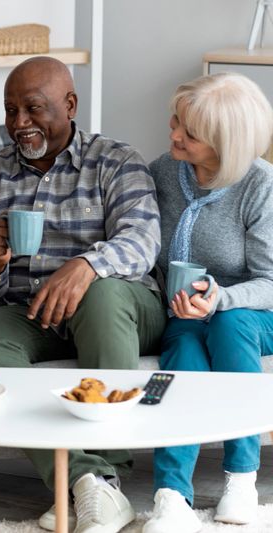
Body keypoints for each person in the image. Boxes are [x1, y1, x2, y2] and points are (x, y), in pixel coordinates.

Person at [0, 56, 167, 533]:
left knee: (102, 296)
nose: (19, 123)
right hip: (33, 310)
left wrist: (88, 265)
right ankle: (84, 482)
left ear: (70, 105)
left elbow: (142, 240)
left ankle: (108, 476)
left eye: (32, 108)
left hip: (122, 306)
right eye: (11, 111)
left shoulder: (116, 160)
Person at [142, 73, 273, 533]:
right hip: (186, 311)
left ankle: (242, 477)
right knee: (183, 354)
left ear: (225, 142)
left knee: (229, 324)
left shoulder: (260, 185)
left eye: (190, 133)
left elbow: (271, 281)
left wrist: (223, 299)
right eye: (176, 121)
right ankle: (171, 494)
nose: (175, 134)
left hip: (252, 309)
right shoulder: (162, 172)